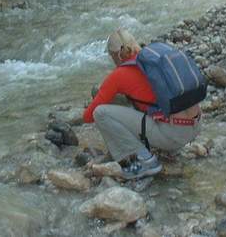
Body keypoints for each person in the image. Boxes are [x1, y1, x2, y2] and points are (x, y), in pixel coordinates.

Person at [83, 29, 201, 179]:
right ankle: (165, 147)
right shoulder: (154, 59)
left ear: (116, 55)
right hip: (196, 124)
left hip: (174, 135)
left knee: (100, 113)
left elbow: (88, 117)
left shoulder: (119, 75)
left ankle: (145, 162)